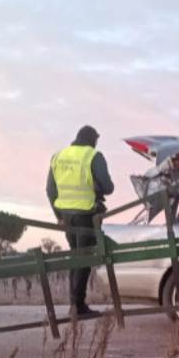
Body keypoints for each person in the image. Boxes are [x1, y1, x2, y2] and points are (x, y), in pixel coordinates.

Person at [46, 125, 114, 315]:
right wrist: (100, 187)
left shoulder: (58, 156)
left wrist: (58, 216)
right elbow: (108, 187)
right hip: (86, 214)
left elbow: (50, 190)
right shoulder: (93, 156)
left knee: (75, 257)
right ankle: (78, 305)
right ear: (92, 139)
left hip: (66, 216)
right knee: (84, 259)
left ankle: (74, 303)